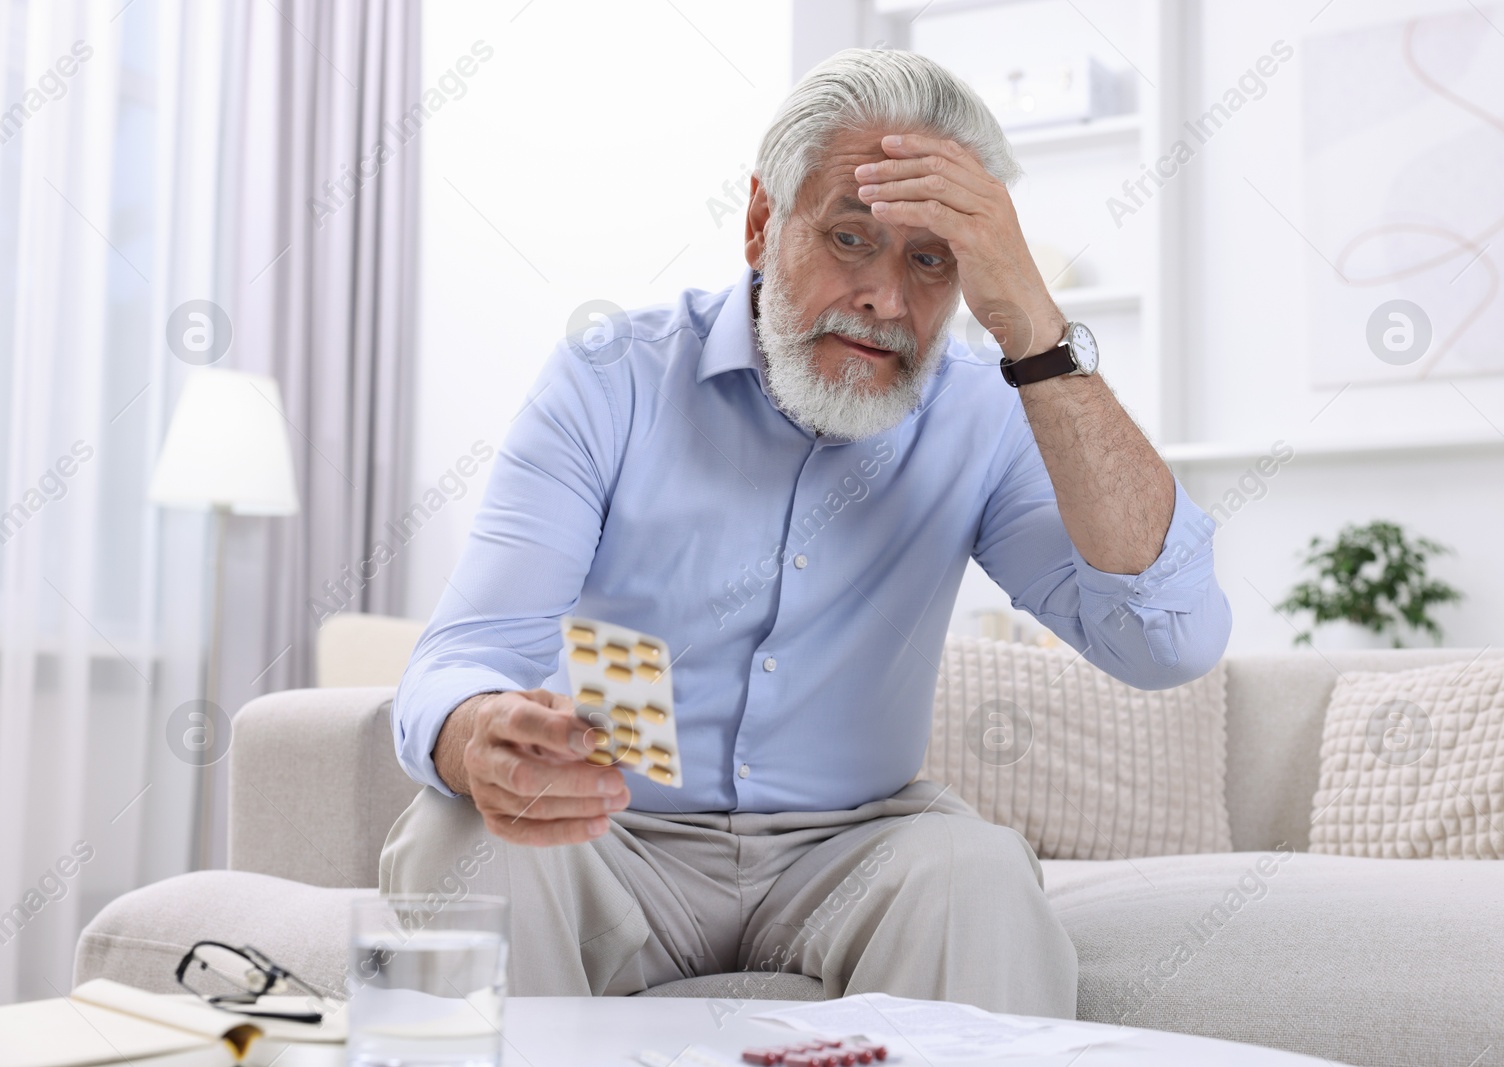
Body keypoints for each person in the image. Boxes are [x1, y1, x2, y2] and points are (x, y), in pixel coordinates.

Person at [381, 48, 1231, 1019]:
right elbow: (468, 650)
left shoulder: (988, 414)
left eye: (931, 261)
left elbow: (1170, 642)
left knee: (976, 872)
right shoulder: (610, 377)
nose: (884, 299)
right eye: (849, 238)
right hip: (613, 829)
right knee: (462, 843)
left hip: (858, 837)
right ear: (758, 223)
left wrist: (1032, 324)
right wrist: (471, 730)